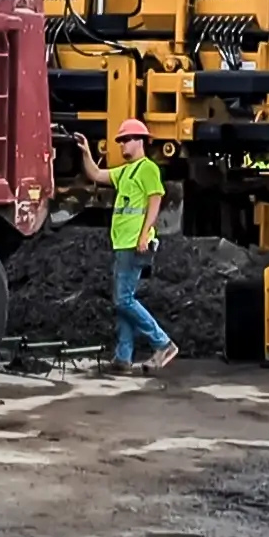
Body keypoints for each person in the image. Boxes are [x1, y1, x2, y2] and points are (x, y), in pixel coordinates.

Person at [72, 119, 178, 372]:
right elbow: (96, 174)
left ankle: (163, 343)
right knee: (124, 299)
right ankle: (123, 357)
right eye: (120, 141)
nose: (122, 145)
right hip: (123, 243)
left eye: (126, 139)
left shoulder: (148, 169)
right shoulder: (126, 171)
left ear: (140, 141)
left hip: (134, 243)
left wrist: (143, 235)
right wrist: (87, 151)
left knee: (123, 300)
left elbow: (155, 201)